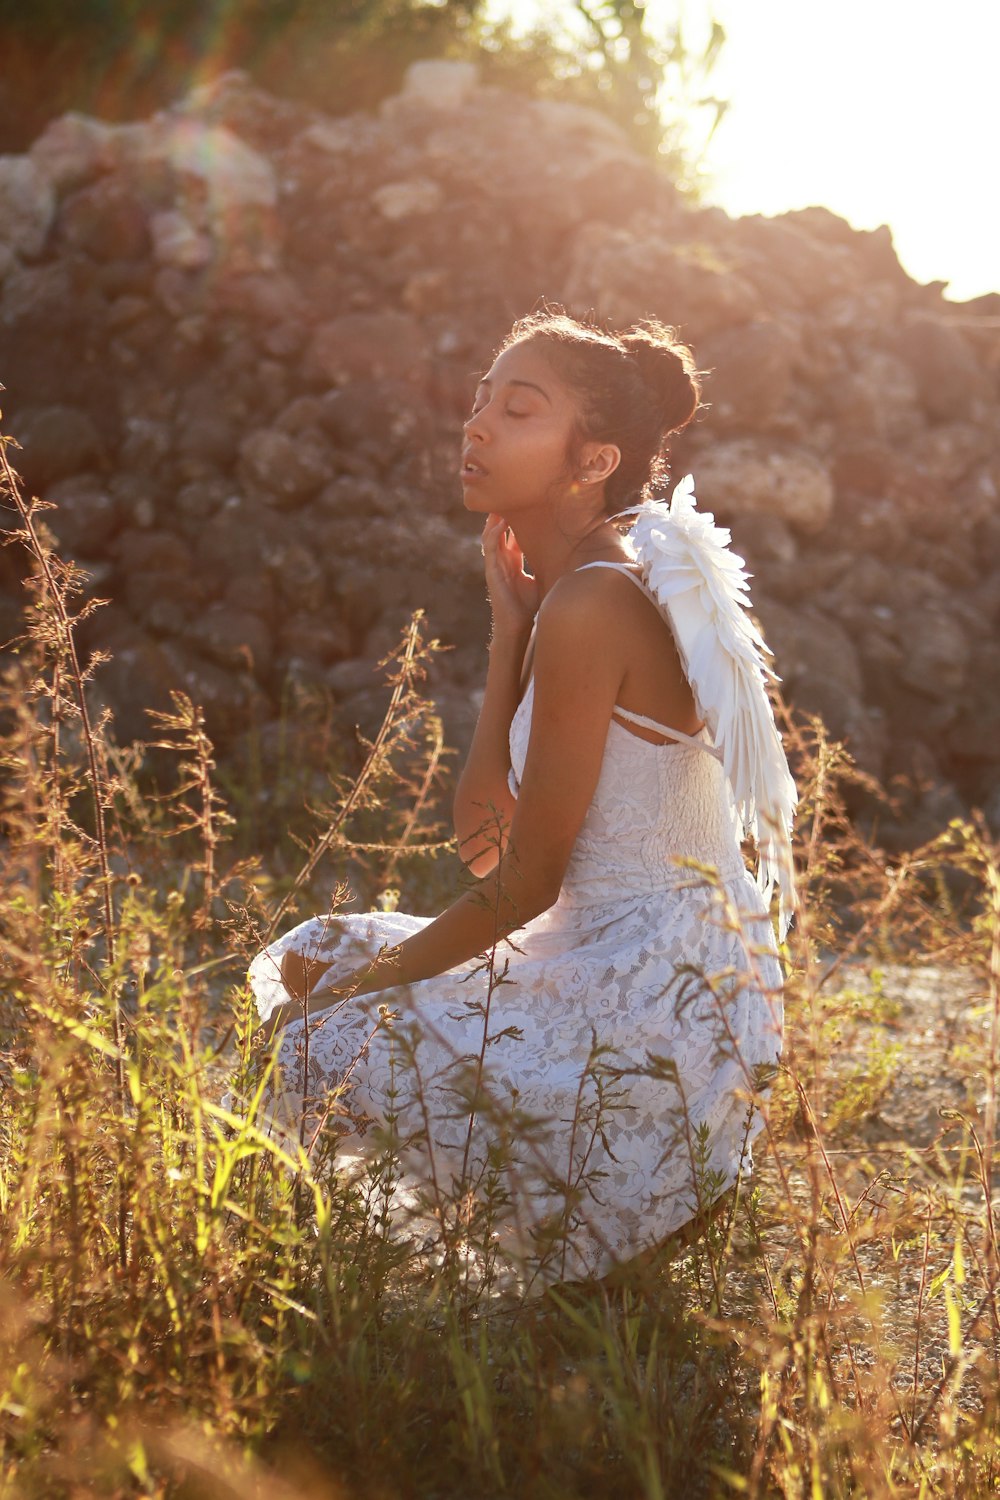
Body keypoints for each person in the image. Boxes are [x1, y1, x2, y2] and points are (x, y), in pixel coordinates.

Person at [245, 308, 793, 1291]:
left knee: (312, 1038)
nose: (476, 426)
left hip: (652, 1001)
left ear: (591, 460)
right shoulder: (582, 585)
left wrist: (366, 995)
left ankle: (407, 1283)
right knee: (313, 957)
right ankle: (492, 1243)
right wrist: (509, 635)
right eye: (478, 401)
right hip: (629, 958)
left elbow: (522, 885)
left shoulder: (596, 600)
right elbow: (485, 848)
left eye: (518, 409)